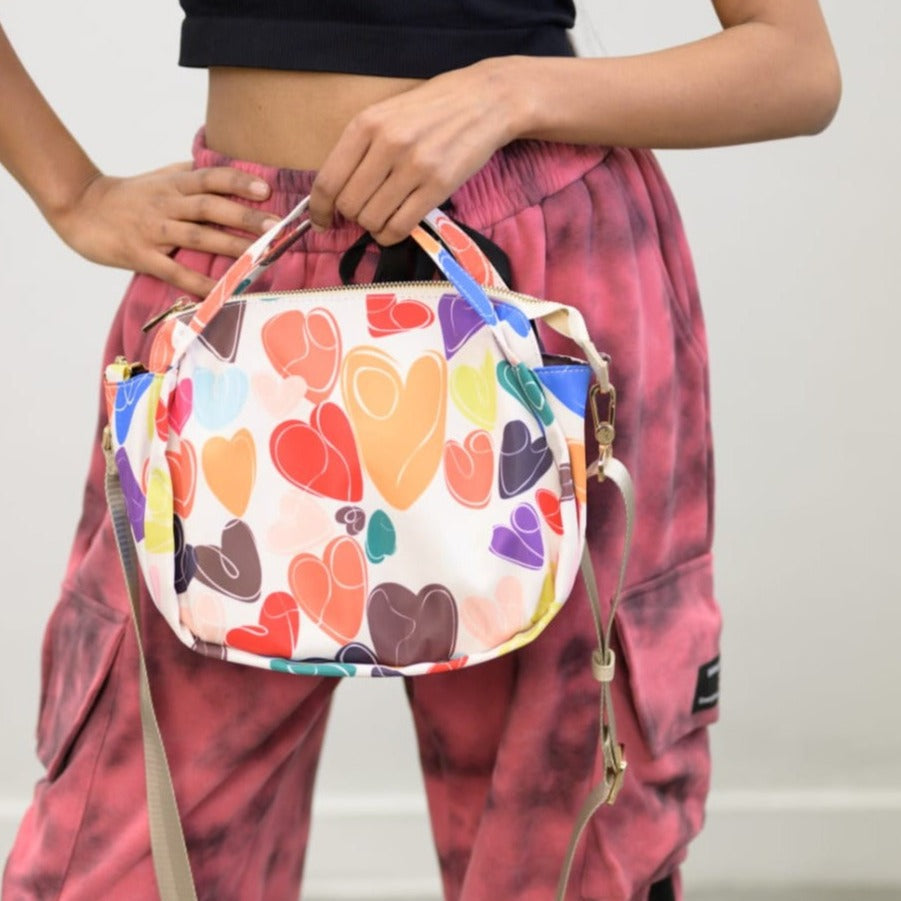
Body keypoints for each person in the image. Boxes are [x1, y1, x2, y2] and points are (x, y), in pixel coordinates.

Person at [0, 2, 840, 900]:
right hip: (243, 276)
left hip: (536, 293)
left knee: (566, 848)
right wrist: (72, 193)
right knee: (123, 853)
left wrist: (507, 92)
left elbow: (795, 65)